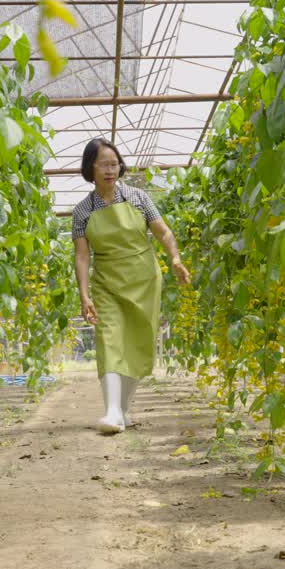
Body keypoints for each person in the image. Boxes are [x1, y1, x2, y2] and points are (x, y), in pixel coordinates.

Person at [71, 138, 190, 434]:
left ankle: (123, 409)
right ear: (90, 168)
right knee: (110, 338)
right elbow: (83, 256)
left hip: (143, 280)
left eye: (115, 164)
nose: (111, 170)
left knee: (138, 341)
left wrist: (174, 257)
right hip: (107, 283)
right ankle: (112, 411)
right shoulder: (82, 211)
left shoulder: (138, 198)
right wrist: (84, 294)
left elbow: (163, 233)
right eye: (104, 164)